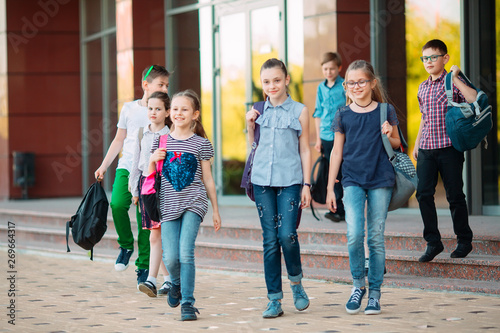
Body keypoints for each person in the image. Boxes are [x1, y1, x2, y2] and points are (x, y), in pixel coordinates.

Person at [326, 59, 400, 315]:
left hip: (381, 178)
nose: (356, 86)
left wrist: (390, 131)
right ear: (346, 86)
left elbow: (397, 142)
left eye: (361, 82)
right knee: (355, 234)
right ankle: (358, 285)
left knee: (376, 238)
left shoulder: (385, 110)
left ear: (372, 83)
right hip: (352, 180)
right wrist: (329, 189)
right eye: (351, 83)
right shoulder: (342, 114)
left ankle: (375, 293)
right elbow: (336, 152)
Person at [245, 58, 311, 319]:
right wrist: (250, 125)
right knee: (270, 241)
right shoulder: (258, 109)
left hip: (291, 182)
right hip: (262, 181)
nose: (271, 86)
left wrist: (307, 184)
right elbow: (253, 146)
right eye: (266, 81)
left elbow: (305, 149)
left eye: (276, 80)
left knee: (287, 235)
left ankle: (296, 283)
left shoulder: (300, 111)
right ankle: (274, 299)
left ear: (286, 80)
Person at [148, 89, 221, 321]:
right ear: (170, 113)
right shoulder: (159, 141)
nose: (179, 113)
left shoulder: (201, 144)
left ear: (195, 114)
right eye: (175, 109)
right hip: (168, 204)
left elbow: (207, 179)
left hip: (194, 202)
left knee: (186, 253)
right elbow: (152, 178)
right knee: (170, 257)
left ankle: (188, 303)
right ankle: (176, 283)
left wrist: (216, 210)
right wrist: (152, 160)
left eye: (185, 109)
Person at [94, 65, 170, 285]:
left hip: (150, 171)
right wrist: (104, 165)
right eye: (160, 84)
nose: (165, 88)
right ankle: (126, 245)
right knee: (117, 204)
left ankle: (144, 267)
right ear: (146, 85)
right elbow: (119, 139)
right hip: (127, 165)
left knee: (145, 220)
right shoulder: (129, 109)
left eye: (167, 85)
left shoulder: (165, 108)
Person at [413, 39, 477, 262]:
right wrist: (417, 143)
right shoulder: (422, 86)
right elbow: (424, 117)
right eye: (425, 58)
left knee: (455, 196)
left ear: (445, 58)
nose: (428, 62)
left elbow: (474, 99)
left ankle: (464, 240)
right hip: (427, 148)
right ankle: (433, 242)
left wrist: (456, 77)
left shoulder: (452, 82)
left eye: (433, 57)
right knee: (422, 194)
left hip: (450, 148)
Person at [129, 91, 172, 297]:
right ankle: (169, 280)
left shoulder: (170, 135)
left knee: (157, 236)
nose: (153, 112)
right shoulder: (141, 133)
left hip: (163, 189)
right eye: (150, 108)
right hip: (145, 187)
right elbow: (135, 164)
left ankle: (153, 280)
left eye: (158, 109)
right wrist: (135, 190)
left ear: (167, 112)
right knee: (154, 235)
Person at [312, 52, 346, 222]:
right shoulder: (320, 88)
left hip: (341, 134)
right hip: (325, 135)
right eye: (325, 68)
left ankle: (341, 209)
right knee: (329, 172)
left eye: (332, 68)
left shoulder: (344, 85)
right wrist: (318, 139)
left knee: (340, 171)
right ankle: (334, 207)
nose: (329, 71)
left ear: (339, 68)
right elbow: (318, 113)